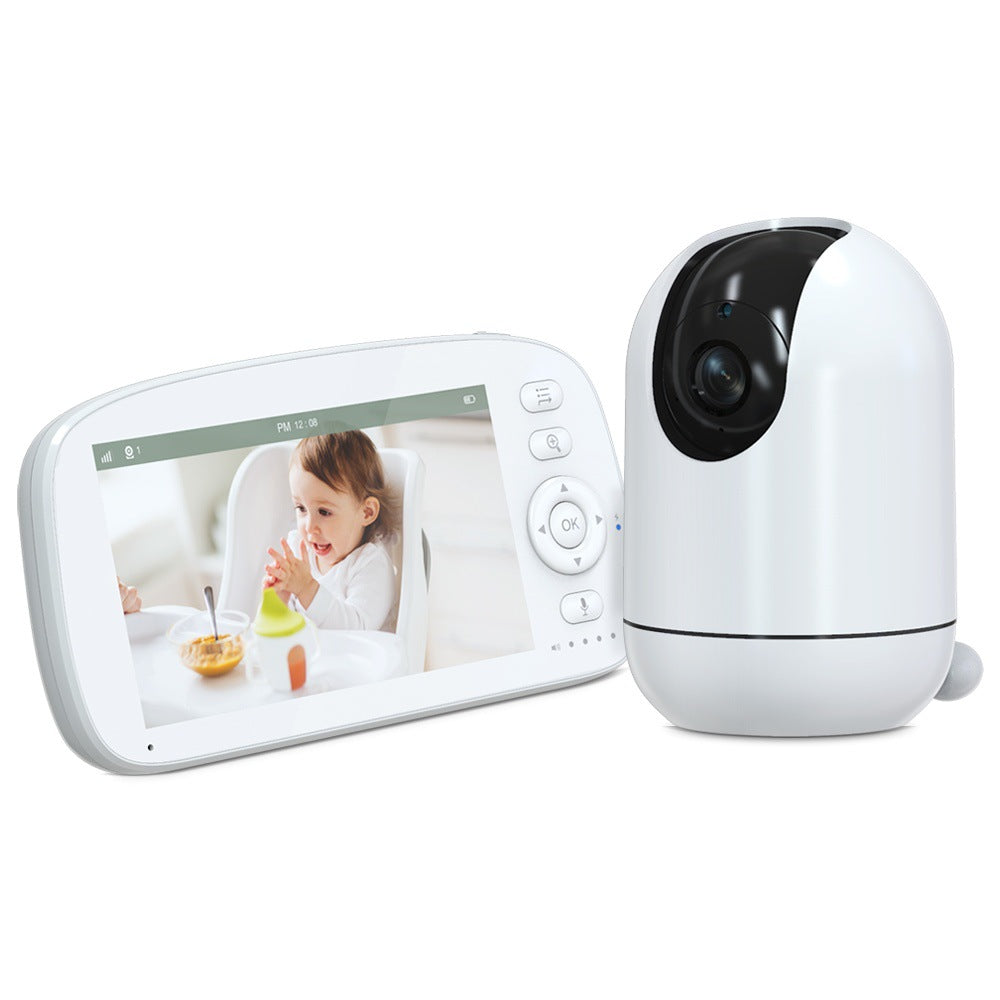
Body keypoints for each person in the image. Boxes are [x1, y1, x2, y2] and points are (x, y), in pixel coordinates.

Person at [263, 430, 399, 630]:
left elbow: (359, 631)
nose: (309, 527)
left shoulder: (370, 564)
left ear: (367, 512)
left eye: (324, 512)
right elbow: (285, 628)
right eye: (301, 508)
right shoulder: (300, 550)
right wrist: (278, 599)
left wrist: (307, 588)